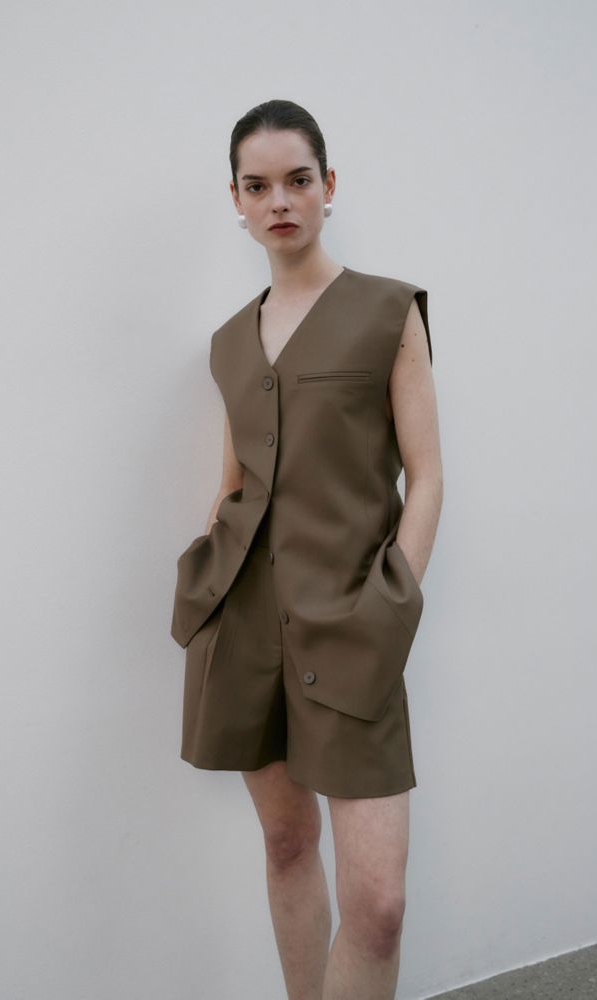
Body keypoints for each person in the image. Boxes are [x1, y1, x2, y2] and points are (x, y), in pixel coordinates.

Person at [171, 98, 443, 1000]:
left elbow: (427, 478)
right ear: (236, 201)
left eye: (296, 180)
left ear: (328, 185)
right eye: (257, 186)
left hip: (353, 624)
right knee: (287, 844)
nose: (278, 201)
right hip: (245, 624)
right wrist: (204, 586)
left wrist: (390, 608)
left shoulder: (388, 311)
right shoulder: (227, 342)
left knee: (379, 906)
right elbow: (232, 487)